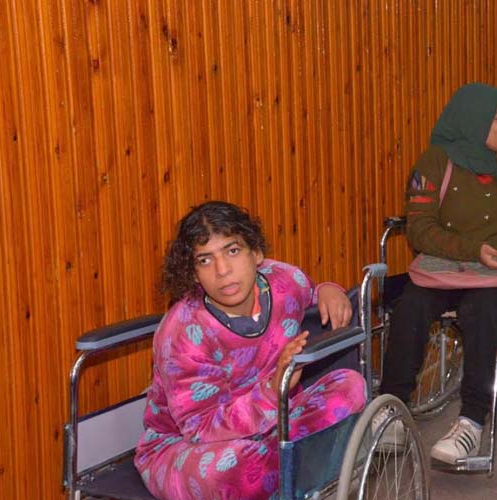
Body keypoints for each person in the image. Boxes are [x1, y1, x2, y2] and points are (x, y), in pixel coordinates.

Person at [377, 83, 497, 464]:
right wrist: (472, 250)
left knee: (483, 309)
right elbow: (419, 229)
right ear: (473, 120)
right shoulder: (435, 161)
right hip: (447, 264)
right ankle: (392, 410)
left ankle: (472, 422)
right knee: (411, 305)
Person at [134, 201, 365, 500]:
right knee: (238, 470)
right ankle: (297, 469)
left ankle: (287, 470)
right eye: (205, 260)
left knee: (351, 386)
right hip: (190, 447)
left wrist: (327, 290)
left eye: (232, 251)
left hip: (277, 423)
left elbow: (310, 291)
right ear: (193, 274)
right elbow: (200, 428)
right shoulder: (184, 332)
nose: (222, 270)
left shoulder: (284, 281)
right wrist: (272, 390)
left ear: (256, 253)